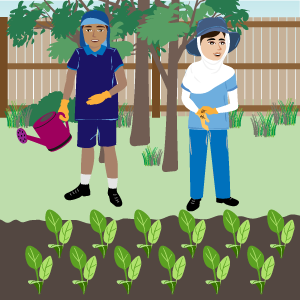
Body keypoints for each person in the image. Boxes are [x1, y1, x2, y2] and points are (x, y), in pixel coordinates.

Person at [58, 10, 127, 207]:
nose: (94, 34)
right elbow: (69, 80)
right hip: (85, 112)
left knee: (109, 149)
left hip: (106, 113)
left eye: (99, 29)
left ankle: (112, 190)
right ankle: (84, 186)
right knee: (86, 150)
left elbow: (122, 82)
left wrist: (104, 96)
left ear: (107, 32)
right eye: (88, 29)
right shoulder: (78, 54)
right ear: (82, 32)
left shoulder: (113, 54)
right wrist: (64, 104)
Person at [181, 17, 240, 212]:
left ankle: (223, 195)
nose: (218, 47)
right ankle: (195, 197)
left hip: (220, 124)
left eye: (222, 41)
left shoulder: (229, 72)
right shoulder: (192, 70)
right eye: (211, 41)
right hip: (197, 124)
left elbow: (235, 104)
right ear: (200, 44)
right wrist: (198, 112)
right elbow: (185, 98)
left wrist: (213, 111)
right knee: (197, 159)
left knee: (221, 159)